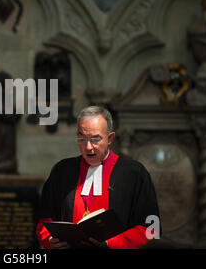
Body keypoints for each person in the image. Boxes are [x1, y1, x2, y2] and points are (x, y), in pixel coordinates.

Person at [36, 106, 160, 249]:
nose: (88, 147)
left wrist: (111, 244)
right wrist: (50, 240)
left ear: (110, 138)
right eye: (82, 138)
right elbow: (43, 219)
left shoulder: (134, 173)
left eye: (95, 139)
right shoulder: (62, 170)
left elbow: (151, 227)